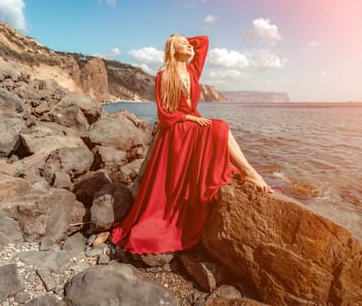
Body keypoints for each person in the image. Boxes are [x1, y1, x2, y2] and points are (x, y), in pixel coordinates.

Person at [111, 34, 272, 255]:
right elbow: (165, 115)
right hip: (178, 127)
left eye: (188, 42)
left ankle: (248, 171)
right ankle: (249, 172)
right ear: (172, 48)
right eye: (183, 43)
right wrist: (190, 118)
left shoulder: (192, 71)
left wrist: (183, 40)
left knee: (219, 127)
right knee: (219, 126)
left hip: (194, 123)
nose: (189, 45)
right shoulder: (163, 75)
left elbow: (204, 41)